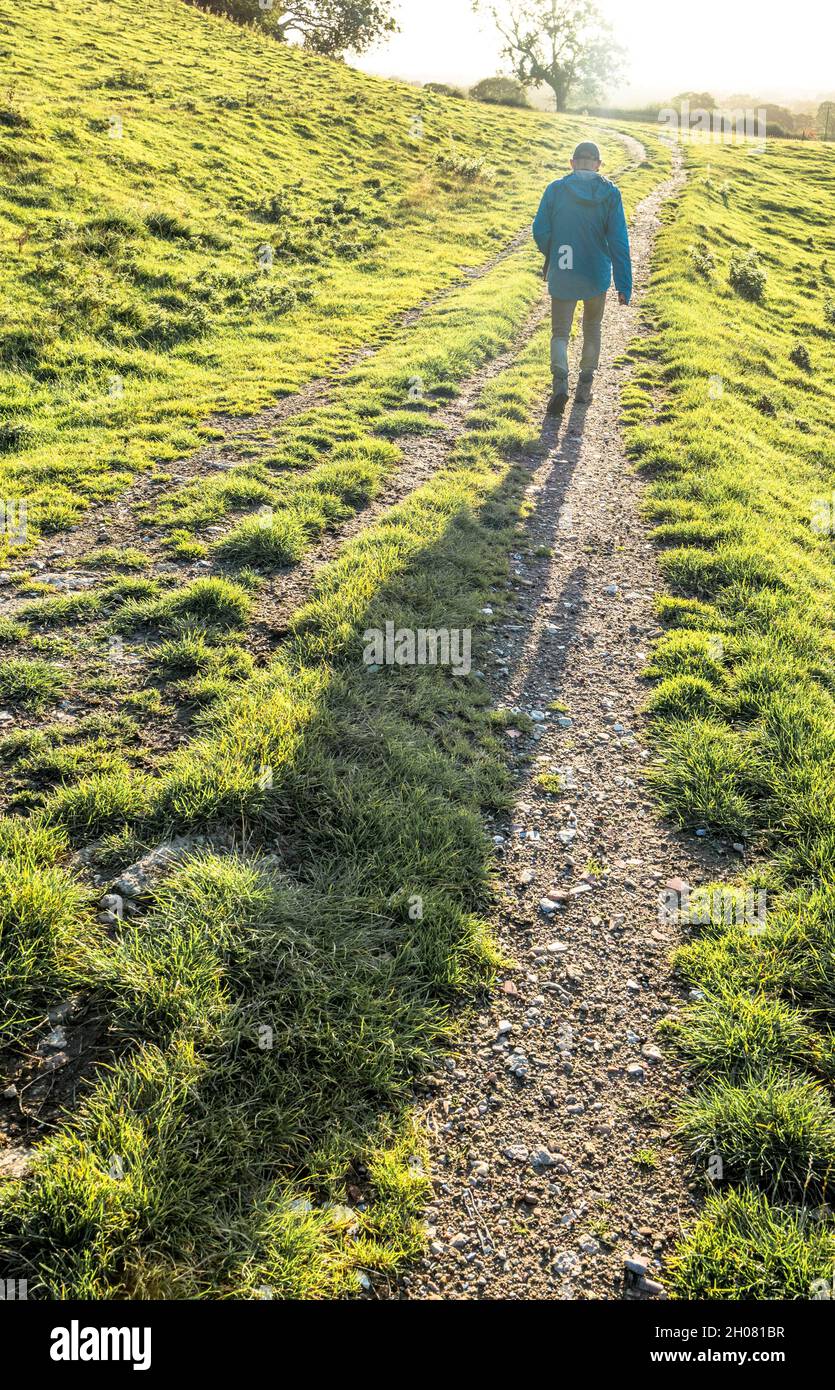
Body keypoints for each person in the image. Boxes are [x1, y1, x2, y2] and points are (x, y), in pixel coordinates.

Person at [532, 140, 632, 416]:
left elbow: (540, 230)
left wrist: (553, 253)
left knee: (560, 333)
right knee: (592, 328)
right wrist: (624, 284)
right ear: (598, 165)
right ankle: (584, 388)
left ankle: (559, 384)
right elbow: (619, 241)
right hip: (596, 272)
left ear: (572, 162)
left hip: (564, 268)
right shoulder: (611, 194)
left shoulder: (555, 189)